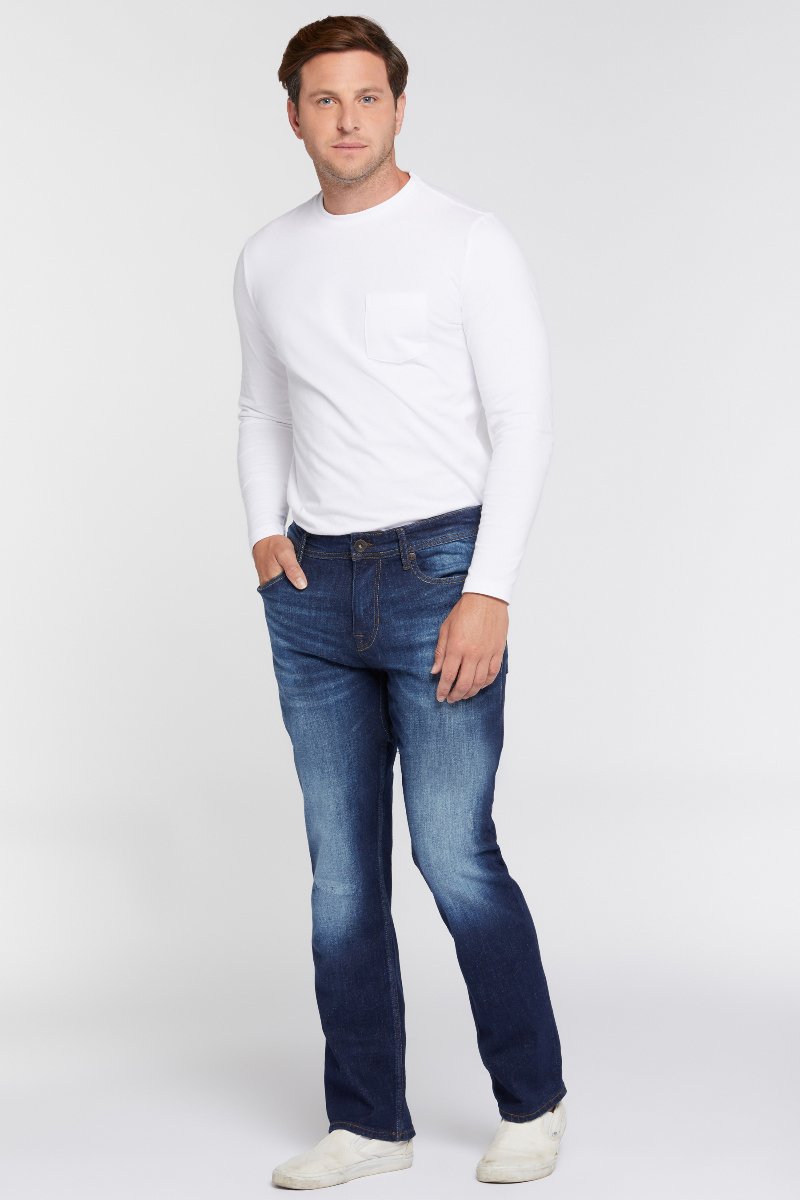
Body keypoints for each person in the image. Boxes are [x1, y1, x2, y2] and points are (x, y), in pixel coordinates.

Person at [233, 14, 568, 1190]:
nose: (347, 120)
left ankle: (531, 1101)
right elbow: (262, 407)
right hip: (313, 589)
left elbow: (522, 423)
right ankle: (369, 1121)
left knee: (452, 854)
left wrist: (488, 590)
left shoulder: (466, 239)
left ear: (398, 107)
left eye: (366, 97)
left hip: (439, 575)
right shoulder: (267, 256)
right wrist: (264, 530)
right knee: (339, 874)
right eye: (324, 99)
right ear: (293, 114)